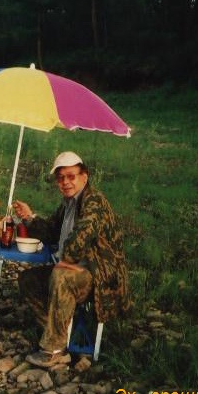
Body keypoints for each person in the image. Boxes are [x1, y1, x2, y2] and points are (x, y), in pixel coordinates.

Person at [13, 151, 131, 368]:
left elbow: (85, 232)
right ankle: (57, 333)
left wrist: (67, 259)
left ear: (84, 177)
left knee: (61, 276)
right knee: (28, 279)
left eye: (71, 176)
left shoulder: (93, 200)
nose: (65, 182)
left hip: (100, 276)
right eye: (60, 178)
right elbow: (50, 232)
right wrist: (29, 218)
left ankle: (54, 350)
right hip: (76, 270)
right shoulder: (68, 203)